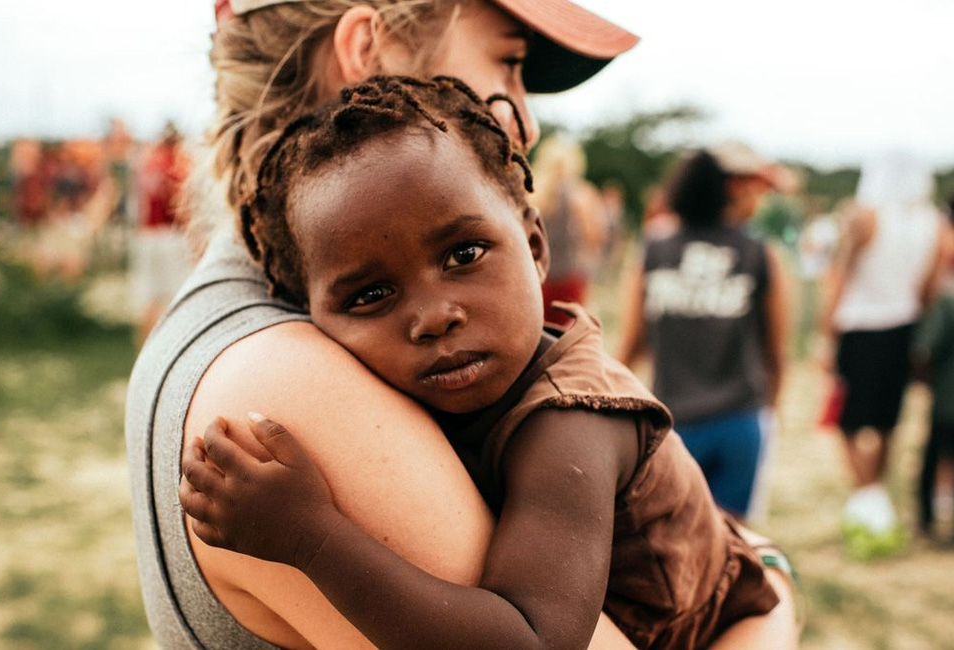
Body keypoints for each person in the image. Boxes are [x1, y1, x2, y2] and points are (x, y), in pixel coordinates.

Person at [125, 2, 796, 648]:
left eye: (465, 255)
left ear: (535, 246)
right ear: (369, 53)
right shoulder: (280, 374)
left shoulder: (566, 415)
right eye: (507, 65)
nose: (526, 123)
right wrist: (775, 599)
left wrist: (312, 539)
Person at [616, 143, 791, 521]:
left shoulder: (654, 251)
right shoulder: (758, 253)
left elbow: (631, 342)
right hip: (739, 419)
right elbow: (776, 350)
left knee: (670, 544)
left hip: (671, 422)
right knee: (729, 546)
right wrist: (770, 411)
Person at [819, 150, 944, 558]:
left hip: (859, 327)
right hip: (903, 326)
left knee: (847, 418)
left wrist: (826, 333)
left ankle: (867, 495)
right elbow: (928, 287)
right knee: (888, 418)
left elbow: (839, 274)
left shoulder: (865, 215)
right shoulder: (934, 222)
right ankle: (875, 499)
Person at [531, 133, 608, 325]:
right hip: (571, 277)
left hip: (538, 278)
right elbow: (596, 237)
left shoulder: (533, 193)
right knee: (568, 338)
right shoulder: (582, 194)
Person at [130, 122, 195, 341]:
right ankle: (169, 347)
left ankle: (143, 353)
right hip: (171, 236)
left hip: (147, 235)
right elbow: (179, 203)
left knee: (149, 298)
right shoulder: (177, 163)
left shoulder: (146, 162)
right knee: (175, 298)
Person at [913, 206, 954, 540]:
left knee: (932, 460)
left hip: (947, 401)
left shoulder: (947, 300)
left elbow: (925, 349)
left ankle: (926, 518)